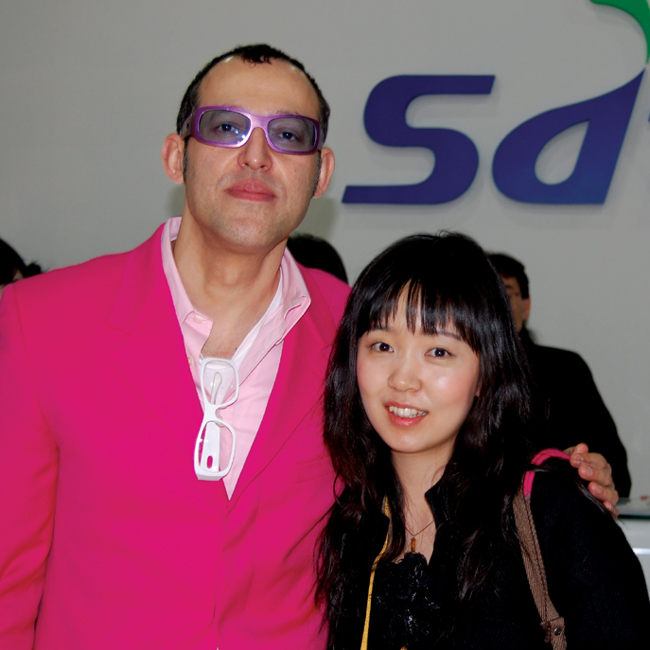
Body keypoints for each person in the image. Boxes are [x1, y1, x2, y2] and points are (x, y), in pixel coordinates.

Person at [0, 45, 615, 650]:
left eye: (289, 135)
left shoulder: (365, 335)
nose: (257, 155)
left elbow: (455, 458)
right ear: (175, 155)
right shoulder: (38, 320)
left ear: (321, 173)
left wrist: (563, 491)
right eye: (226, 127)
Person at [318, 233, 649, 650]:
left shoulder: (548, 512)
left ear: (486, 374)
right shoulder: (352, 521)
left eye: (438, 352)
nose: (402, 379)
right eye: (382, 345)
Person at [488, 252, 631, 496]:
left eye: (506, 294)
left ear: (525, 306)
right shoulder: (448, 375)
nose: (496, 306)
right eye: (486, 297)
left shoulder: (566, 370)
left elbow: (616, 472)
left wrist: (572, 468)